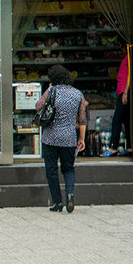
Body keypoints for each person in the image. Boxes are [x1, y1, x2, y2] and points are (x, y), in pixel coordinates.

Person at [35, 64, 87, 212]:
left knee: (51, 170)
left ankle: (57, 202)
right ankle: (69, 194)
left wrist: (49, 93)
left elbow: (38, 106)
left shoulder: (52, 90)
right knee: (68, 169)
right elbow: (82, 119)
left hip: (50, 137)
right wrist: (81, 139)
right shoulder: (78, 94)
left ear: (53, 79)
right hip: (69, 138)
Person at [102, 51, 130, 157]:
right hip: (123, 92)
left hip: (124, 92)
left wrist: (125, 92)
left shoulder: (130, 56)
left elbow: (130, 76)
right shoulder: (129, 56)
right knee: (127, 120)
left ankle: (113, 147)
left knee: (117, 120)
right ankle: (130, 146)